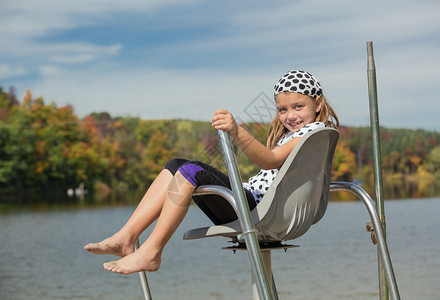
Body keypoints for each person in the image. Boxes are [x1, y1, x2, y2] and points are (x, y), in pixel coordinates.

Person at [84, 69, 339, 275]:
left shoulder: (312, 132)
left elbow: (270, 160)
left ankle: (152, 251)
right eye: (283, 110)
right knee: (176, 165)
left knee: (190, 171)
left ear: (317, 103)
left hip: (260, 210)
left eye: (298, 106)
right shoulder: (312, 134)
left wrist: (237, 131)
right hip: (256, 205)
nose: (290, 116)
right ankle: (126, 237)